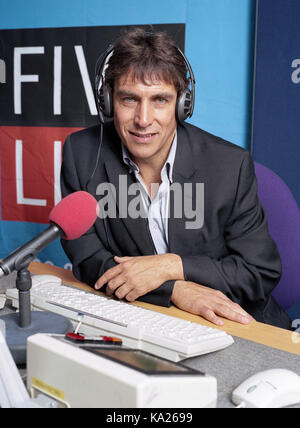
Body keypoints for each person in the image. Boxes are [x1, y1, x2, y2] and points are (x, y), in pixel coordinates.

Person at [60, 28, 291, 329]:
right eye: (129, 99)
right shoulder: (82, 154)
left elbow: (259, 271)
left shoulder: (229, 166)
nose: (143, 120)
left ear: (182, 105)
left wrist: (171, 266)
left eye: (160, 100)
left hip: (234, 323)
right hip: (149, 321)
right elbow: (88, 258)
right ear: (106, 101)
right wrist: (173, 289)